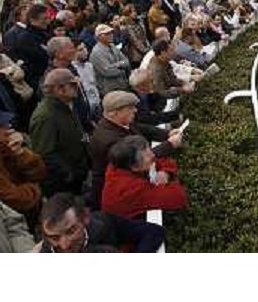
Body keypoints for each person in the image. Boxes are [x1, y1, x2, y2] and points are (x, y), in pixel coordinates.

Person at [89, 90, 182, 209]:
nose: (135, 110)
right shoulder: (108, 139)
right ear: (114, 113)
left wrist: (167, 133)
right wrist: (170, 144)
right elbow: (140, 159)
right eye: (130, 108)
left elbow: (142, 128)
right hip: (119, 197)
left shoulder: (119, 122)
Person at [29, 69, 90, 198]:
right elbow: (45, 153)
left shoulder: (66, 105)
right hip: (61, 182)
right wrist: (69, 174)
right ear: (58, 89)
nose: (77, 87)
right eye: (72, 85)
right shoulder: (45, 116)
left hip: (76, 171)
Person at [37, 192, 165, 253]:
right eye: (54, 237)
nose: (64, 245)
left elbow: (154, 231)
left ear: (85, 218)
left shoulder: (104, 223)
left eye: (71, 231)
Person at [0, 103, 46, 224]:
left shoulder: (1, 145)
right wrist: (35, 190)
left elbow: (40, 173)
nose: (7, 127)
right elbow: (13, 199)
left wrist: (20, 153)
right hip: (9, 224)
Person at [101, 135, 188, 219]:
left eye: (149, 149)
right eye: (147, 156)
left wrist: (166, 173)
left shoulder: (119, 163)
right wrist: (166, 182)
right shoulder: (132, 189)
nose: (153, 155)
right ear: (134, 167)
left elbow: (163, 161)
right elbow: (178, 197)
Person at [14, 3, 50, 93]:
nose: (48, 21)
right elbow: (39, 60)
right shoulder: (26, 38)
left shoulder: (43, 33)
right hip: (37, 83)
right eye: (44, 19)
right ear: (32, 20)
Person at [89, 23, 131, 96]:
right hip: (110, 90)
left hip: (122, 85)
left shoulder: (112, 46)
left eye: (111, 33)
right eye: (107, 34)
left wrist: (118, 65)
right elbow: (108, 71)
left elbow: (127, 61)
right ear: (99, 36)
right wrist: (122, 68)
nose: (111, 35)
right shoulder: (96, 52)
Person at [71, 40, 101, 120]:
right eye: (80, 50)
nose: (85, 51)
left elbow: (95, 84)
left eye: (85, 48)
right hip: (85, 109)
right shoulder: (72, 70)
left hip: (97, 104)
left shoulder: (89, 66)